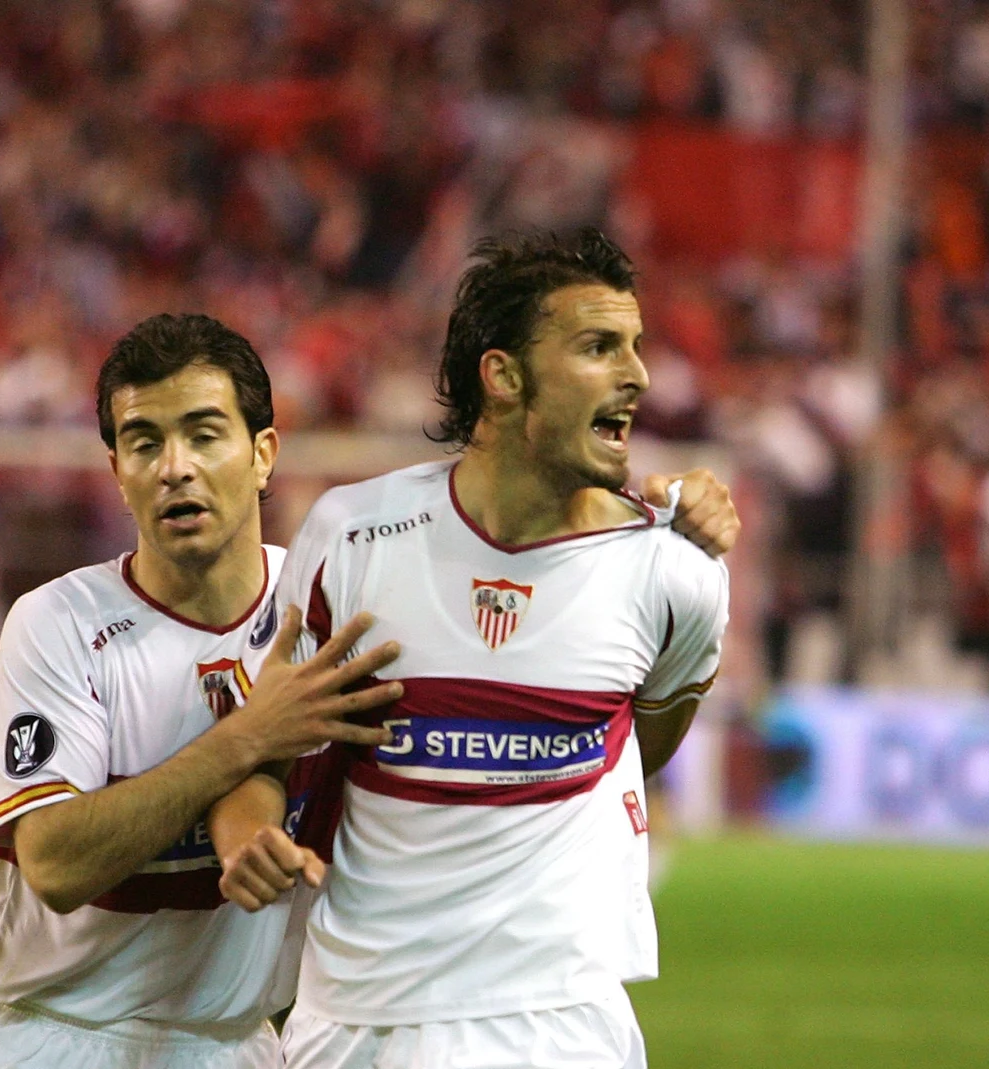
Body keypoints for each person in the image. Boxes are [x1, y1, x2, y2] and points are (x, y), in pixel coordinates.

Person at [0, 312, 740, 1069]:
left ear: (263, 454)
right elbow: (52, 863)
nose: (174, 465)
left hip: (237, 1042)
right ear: (117, 471)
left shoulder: (337, 594)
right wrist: (247, 737)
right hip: (51, 1034)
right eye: (143, 442)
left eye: (203, 434)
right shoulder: (59, 624)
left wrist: (653, 511)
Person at [209, 227, 730, 1069]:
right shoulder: (354, 537)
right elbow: (260, 747)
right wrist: (248, 836)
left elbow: (641, 751)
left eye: (636, 346)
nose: (637, 374)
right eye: (599, 347)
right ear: (503, 375)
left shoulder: (675, 574)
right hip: (357, 1022)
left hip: (561, 1023)